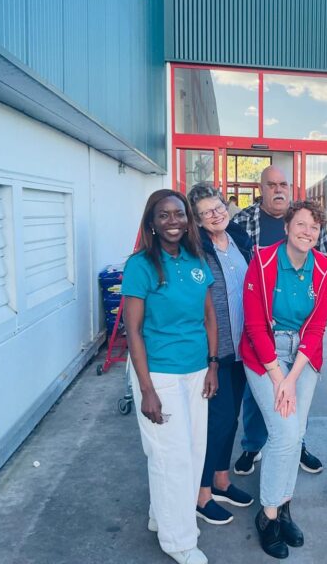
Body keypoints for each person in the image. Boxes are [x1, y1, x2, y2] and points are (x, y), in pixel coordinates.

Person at [122, 189, 218, 564]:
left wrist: (213, 364)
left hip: (197, 370)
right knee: (170, 456)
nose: (173, 221)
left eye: (179, 214)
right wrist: (146, 389)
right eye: (163, 215)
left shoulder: (196, 259)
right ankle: (178, 541)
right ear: (152, 223)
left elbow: (209, 316)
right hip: (159, 372)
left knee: (192, 451)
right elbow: (133, 331)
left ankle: (162, 517)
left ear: (187, 219)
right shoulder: (140, 265)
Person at [240, 200, 327, 559]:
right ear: (287, 227)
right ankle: (267, 516)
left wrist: (292, 378)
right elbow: (254, 326)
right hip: (265, 353)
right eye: (301, 224)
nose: (307, 232)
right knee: (283, 432)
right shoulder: (263, 260)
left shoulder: (324, 266)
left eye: (314, 227)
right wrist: (279, 378)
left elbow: (317, 327)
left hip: (303, 358)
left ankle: (283, 506)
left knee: (295, 433)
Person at [232, 165, 327, 476]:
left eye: (283, 184)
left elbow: (324, 263)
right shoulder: (243, 221)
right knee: (257, 396)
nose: (278, 189)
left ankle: (296, 445)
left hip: (299, 328)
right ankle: (252, 446)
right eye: (271, 184)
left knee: (295, 403)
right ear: (261, 188)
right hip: (261, 323)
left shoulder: (307, 220)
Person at [187, 184, 254, 526]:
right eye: (207, 212)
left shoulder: (240, 239)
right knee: (218, 420)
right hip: (216, 350)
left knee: (232, 419)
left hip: (245, 346)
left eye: (219, 207)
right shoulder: (196, 248)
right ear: (197, 220)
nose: (216, 215)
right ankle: (201, 495)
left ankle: (221, 481)